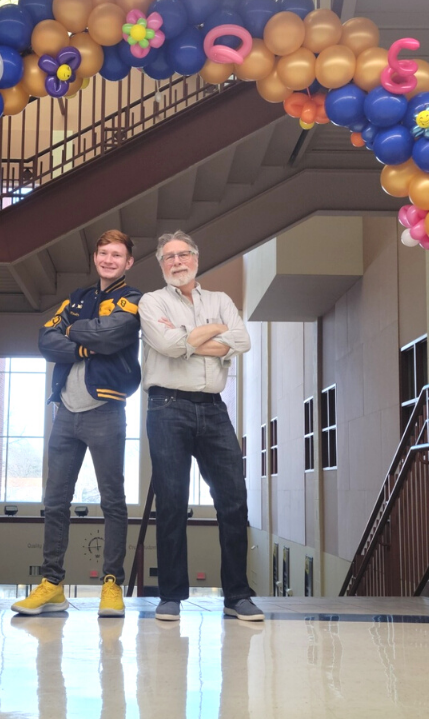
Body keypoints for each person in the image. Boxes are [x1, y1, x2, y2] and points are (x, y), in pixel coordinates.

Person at [12, 230, 142, 618]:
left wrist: (72, 331)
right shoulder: (77, 298)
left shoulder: (133, 300)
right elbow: (44, 339)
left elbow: (117, 334)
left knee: (112, 501)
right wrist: (86, 342)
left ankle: (111, 584)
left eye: (116, 255)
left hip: (105, 410)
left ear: (128, 262)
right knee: (54, 502)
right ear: (96, 257)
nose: (108, 260)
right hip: (65, 413)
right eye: (103, 253)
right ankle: (52, 586)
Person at [138, 231, 263, 622]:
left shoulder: (220, 300)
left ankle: (237, 596)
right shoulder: (152, 301)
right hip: (166, 407)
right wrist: (212, 332)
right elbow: (170, 346)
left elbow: (241, 341)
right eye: (168, 257)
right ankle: (171, 596)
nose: (177, 262)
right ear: (161, 265)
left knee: (233, 501)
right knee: (172, 503)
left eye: (183, 254)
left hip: (213, 408)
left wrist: (189, 337)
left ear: (196, 257)